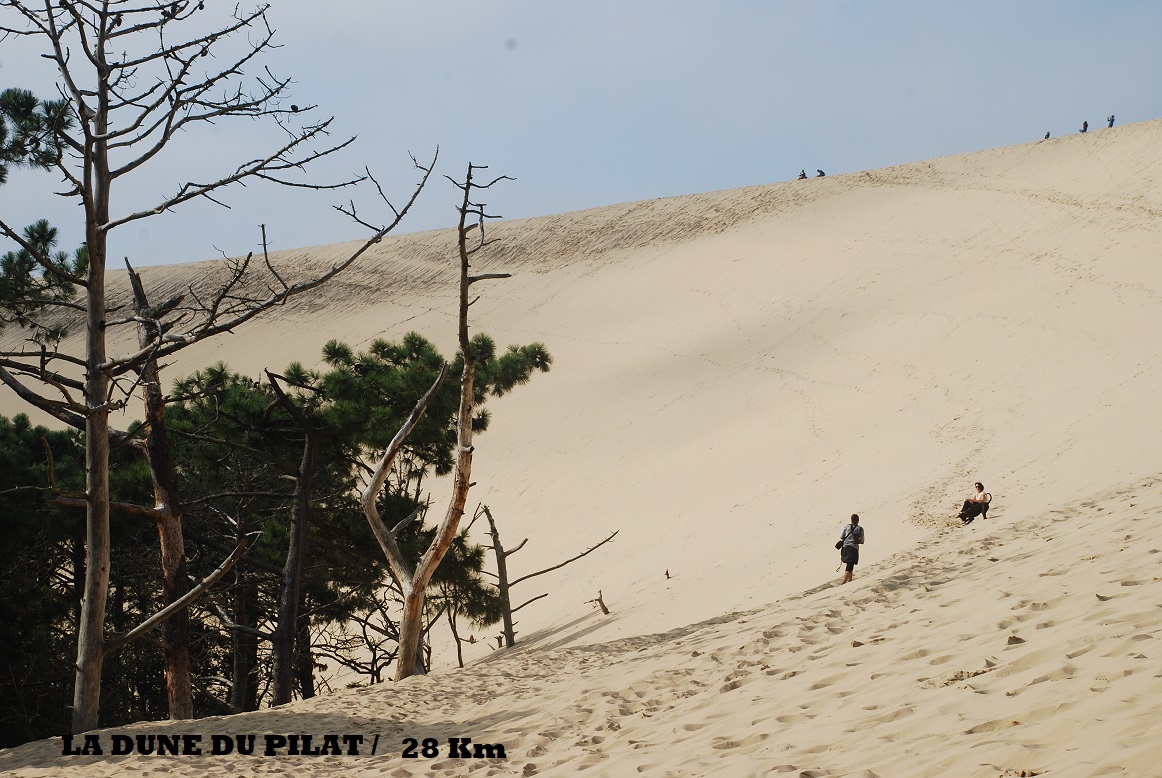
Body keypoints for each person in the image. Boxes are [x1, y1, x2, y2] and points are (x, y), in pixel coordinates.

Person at [838, 514, 865, 584]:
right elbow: (862, 541)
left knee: (849, 564)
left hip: (845, 548)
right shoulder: (860, 529)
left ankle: (850, 581)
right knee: (850, 565)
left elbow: (841, 536)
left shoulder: (846, 526)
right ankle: (843, 582)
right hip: (853, 549)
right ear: (858, 520)